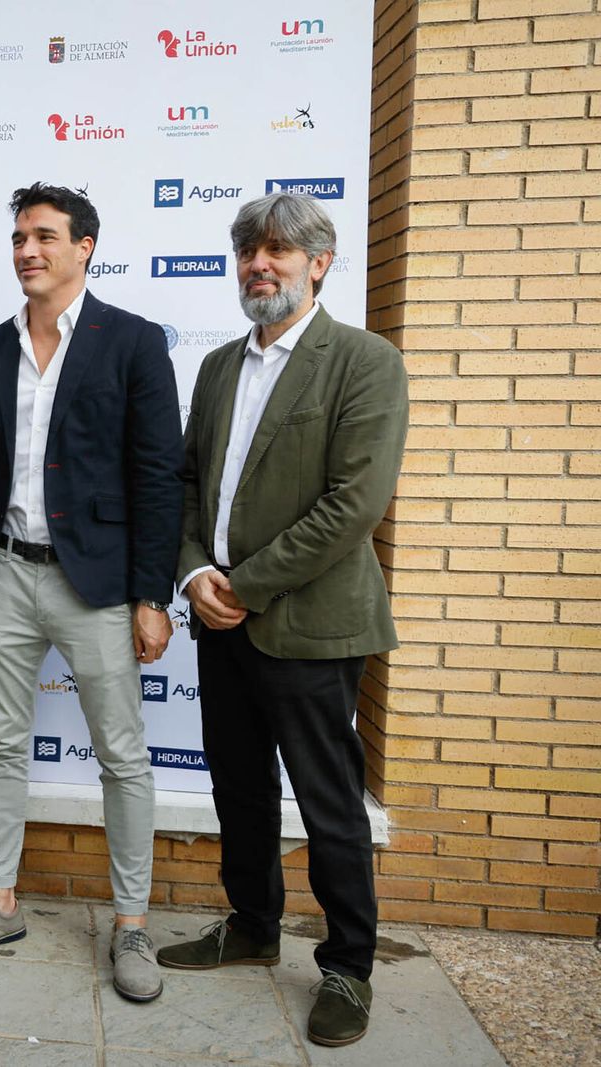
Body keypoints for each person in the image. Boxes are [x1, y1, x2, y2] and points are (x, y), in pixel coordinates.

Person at [155, 192, 408, 1048]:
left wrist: (245, 585)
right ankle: (254, 925)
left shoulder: (364, 362)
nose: (260, 264)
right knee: (239, 785)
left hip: (311, 624)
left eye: (279, 251)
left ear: (319, 262)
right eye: (249, 252)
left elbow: (353, 505)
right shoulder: (221, 366)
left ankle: (348, 966)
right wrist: (194, 572)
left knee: (329, 801)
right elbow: (188, 485)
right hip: (217, 620)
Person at [0, 182, 183, 1003]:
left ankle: (132, 924)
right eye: (17, 237)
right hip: (5, 572)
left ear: (85, 246)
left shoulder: (135, 342)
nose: (27, 250)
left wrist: (154, 594)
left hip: (100, 584)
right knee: (2, 742)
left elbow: (157, 475)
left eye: (44, 235)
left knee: (122, 753)